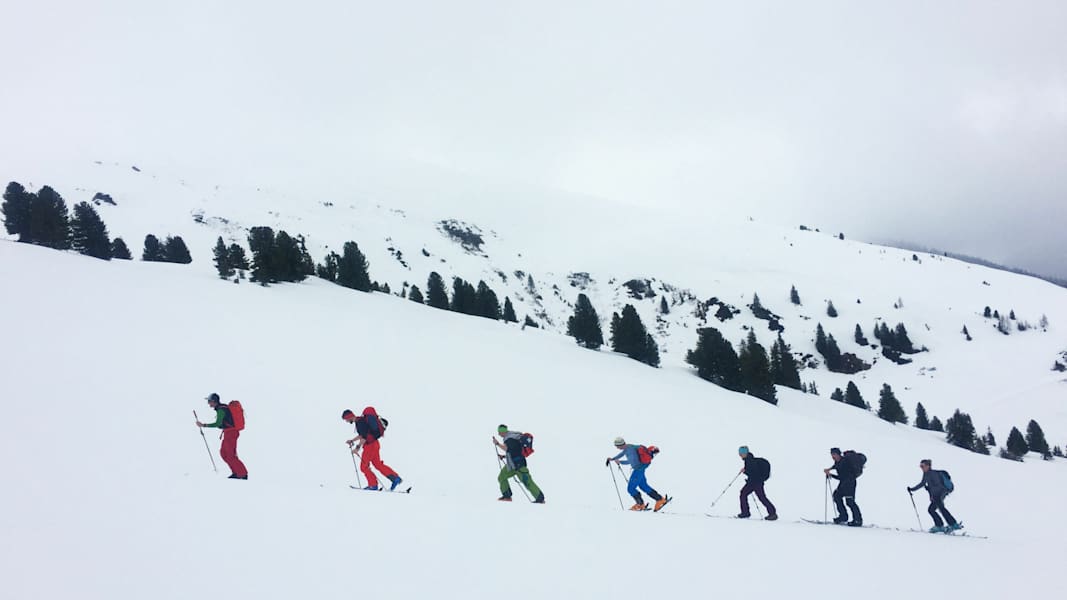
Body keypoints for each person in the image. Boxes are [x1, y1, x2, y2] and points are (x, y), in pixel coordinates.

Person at [343, 407, 403, 491]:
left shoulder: (360, 422)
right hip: (375, 444)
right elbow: (362, 435)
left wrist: (357, 448)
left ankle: (373, 485)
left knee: (364, 467)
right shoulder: (360, 421)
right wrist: (352, 440)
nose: (346, 421)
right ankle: (395, 478)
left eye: (346, 419)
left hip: (369, 446)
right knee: (378, 464)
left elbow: (364, 437)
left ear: (348, 417)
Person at [606, 437, 668, 512]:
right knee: (643, 486)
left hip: (638, 469)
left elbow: (632, 461)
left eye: (616, 446)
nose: (616, 447)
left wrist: (620, 462)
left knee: (631, 489)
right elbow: (622, 454)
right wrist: (612, 459)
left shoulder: (630, 450)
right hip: (641, 469)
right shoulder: (629, 447)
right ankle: (660, 500)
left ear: (619, 445)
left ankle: (640, 504)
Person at [196, 393, 248, 480]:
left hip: (231, 433)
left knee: (230, 454)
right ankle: (236, 472)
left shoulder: (221, 409)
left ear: (214, 401)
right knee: (224, 453)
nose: (208, 403)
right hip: (228, 433)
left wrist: (204, 425)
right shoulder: (221, 408)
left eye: (209, 401)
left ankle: (242, 474)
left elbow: (218, 423)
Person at [493, 425, 545, 503]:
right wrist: (504, 456)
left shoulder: (509, 439)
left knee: (527, 481)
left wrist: (497, 444)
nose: (499, 434)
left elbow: (507, 449)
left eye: (499, 432)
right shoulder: (512, 437)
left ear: (503, 431)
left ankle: (540, 498)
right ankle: (507, 496)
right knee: (502, 477)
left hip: (518, 465)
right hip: (512, 465)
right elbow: (513, 451)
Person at [908, 459, 961, 533]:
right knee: (935, 509)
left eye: (922, 466)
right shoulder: (926, 474)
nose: (921, 468)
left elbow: (939, 486)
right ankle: (946, 524)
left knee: (936, 509)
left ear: (928, 466)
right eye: (920, 466)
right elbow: (922, 484)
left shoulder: (933, 474)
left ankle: (948, 525)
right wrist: (912, 489)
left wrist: (933, 493)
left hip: (939, 494)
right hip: (936, 495)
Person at [823, 447, 862, 526]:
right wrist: (830, 472)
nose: (833, 456)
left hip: (849, 484)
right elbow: (837, 470)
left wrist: (831, 474)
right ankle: (843, 516)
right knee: (837, 496)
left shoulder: (844, 462)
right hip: (844, 483)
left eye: (834, 454)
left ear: (838, 454)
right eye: (832, 455)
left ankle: (857, 520)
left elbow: (842, 476)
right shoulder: (838, 462)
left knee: (850, 502)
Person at [737, 446, 777, 520]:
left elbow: (754, 473)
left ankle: (746, 513)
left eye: (741, 453)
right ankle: (772, 513)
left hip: (755, 483)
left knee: (745, 494)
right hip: (756, 482)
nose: (740, 455)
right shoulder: (749, 460)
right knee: (759, 497)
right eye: (739, 453)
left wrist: (745, 471)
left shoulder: (749, 461)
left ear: (745, 453)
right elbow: (754, 472)